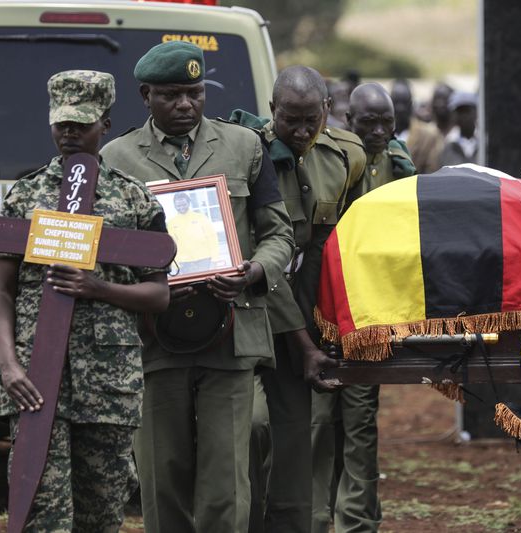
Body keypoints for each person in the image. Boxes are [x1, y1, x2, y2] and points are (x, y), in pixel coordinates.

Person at [100, 41, 294, 533]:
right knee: (162, 474)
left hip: (230, 334)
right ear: (145, 95)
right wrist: (150, 280)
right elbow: (104, 250)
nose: (186, 104)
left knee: (226, 477)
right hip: (153, 337)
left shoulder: (245, 146)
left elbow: (278, 234)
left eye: (195, 92)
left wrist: (252, 271)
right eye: (171, 95)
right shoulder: (116, 157)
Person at [0, 70, 170, 531]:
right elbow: (2, 290)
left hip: (108, 384)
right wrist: (8, 366)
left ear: (105, 124)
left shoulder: (134, 199)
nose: (69, 133)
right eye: (61, 124)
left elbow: (158, 295)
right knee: (39, 512)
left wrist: (99, 289)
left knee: (100, 515)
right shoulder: (26, 196)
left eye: (81, 124)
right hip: (34, 378)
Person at [231, 65, 366, 533]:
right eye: (292, 120)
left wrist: (326, 328)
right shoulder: (248, 154)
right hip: (250, 309)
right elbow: (260, 252)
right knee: (249, 427)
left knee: (295, 436)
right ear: (272, 112)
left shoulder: (346, 156)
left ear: (328, 110)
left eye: (313, 119)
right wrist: (302, 338)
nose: (304, 131)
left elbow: (338, 245)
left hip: (304, 314)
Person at [310, 82, 416, 533]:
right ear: (347, 120)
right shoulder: (332, 162)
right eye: (367, 121)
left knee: (360, 421)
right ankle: (317, 516)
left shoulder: (402, 167)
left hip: (372, 314)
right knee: (319, 422)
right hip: (324, 309)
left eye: (385, 122)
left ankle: (356, 520)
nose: (377, 131)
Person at [391, 78, 444, 174]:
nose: (400, 108)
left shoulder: (428, 136)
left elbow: (432, 170)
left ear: (411, 103)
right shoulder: (382, 135)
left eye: (404, 103)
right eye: (396, 103)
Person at [167, 191, 219, 274]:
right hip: (184, 262)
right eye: (178, 206)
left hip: (205, 258)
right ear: (174, 205)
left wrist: (215, 258)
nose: (181, 207)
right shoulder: (171, 223)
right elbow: (171, 244)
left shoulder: (200, 217)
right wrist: (174, 263)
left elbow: (212, 237)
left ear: (189, 203)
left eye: (184, 204)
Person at [439, 91, 479, 167]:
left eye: (467, 111)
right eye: (460, 112)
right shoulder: (449, 144)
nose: (464, 116)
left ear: (476, 112)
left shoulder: (485, 142)